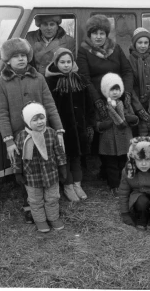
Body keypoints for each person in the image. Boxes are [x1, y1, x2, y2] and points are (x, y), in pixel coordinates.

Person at [0, 38, 65, 224]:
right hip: (20, 136)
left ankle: (50, 203)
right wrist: (9, 140)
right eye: (15, 56)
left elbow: (50, 104)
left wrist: (58, 130)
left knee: (45, 165)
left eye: (23, 55)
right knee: (25, 169)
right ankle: (30, 205)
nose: (20, 59)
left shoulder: (38, 78)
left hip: (42, 133)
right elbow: (1, 113)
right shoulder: (1, 82)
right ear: (7, 60)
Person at [77, 14, 134, 182]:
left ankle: (122, 165)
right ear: (89, 34)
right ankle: (106, 167)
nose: (98, 37)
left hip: (118, 95)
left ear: (107, 34)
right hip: (96, 98)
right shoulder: (84, 51)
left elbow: (127, 71)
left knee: (123, 129)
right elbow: (85, 78)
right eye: (95, 33)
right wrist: (97, 102)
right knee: (103, 133)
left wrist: (127, 93)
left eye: (102, 33)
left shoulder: (115, 48)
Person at [45, 47, 92, 201]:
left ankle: (78, 184)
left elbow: (88, 103)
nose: (66, 65)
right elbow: (49, 107)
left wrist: (88, 123)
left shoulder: (79, 79)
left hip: (78, 126)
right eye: (62, 62)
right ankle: (68, 185)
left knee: (77, 157)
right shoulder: (51, 82)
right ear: (56, 63)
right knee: (64, 158)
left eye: (69, 62)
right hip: (62, 128)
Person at [13, 102, 68, 233]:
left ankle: (53, 218)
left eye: (42, 118)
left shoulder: (51, 133)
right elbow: (16, 156)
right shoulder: (21, 137)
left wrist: (63, 168)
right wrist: (17, 172)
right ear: (27, 121)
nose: (39, 122)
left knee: (52, 198)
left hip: (51, 175)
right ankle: (40, 220)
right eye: (35, 119)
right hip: (32, 177)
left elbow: (59, 152)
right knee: (35, 200)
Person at [96, 73, 138, 197]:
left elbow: (135, 118)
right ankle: (114, 185)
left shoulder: (125, 103)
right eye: (111, 89)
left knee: (124, 163)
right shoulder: (103, 106)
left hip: (124, 139)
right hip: (109, 141)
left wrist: (129, 118)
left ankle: (126, 183)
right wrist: (103, 125)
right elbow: (96, 122)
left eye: (117, 89)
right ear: (105, 91)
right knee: (111, 164)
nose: (115, 92)